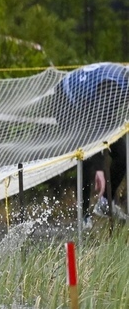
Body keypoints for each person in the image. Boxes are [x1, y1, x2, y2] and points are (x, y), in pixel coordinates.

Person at [53, 62, 129, 226]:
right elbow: (94, 127)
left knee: (122, 154)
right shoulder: (112, 86)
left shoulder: (123, 85)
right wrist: (100, 168)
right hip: (66, 102)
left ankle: (104, 203)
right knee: (86, 156)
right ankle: (83, 215)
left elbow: (107, 119)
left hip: (93, 105)